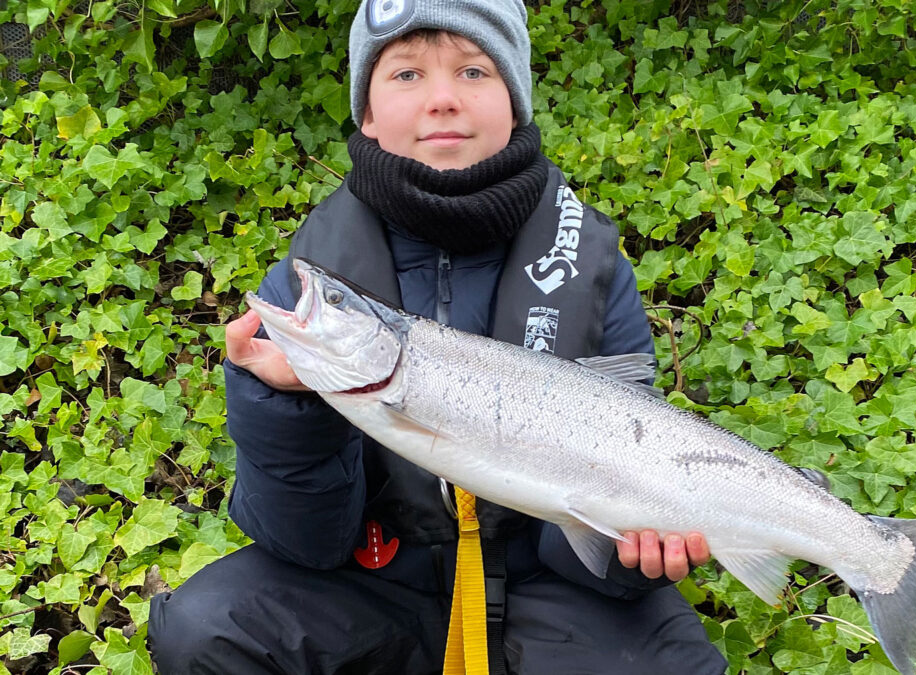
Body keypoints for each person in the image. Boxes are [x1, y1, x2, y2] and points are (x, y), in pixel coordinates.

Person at [148, 1, 729, 673]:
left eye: (475, 70)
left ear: (516, 101)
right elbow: (302, 540)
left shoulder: (591, 265)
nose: (444, 99)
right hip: (378, 580)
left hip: (554, 588)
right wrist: (286, 400)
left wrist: (638, 555)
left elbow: (606, 534)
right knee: (204, 629)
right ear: (365, 111)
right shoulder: (313, 284)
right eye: (406, 75)